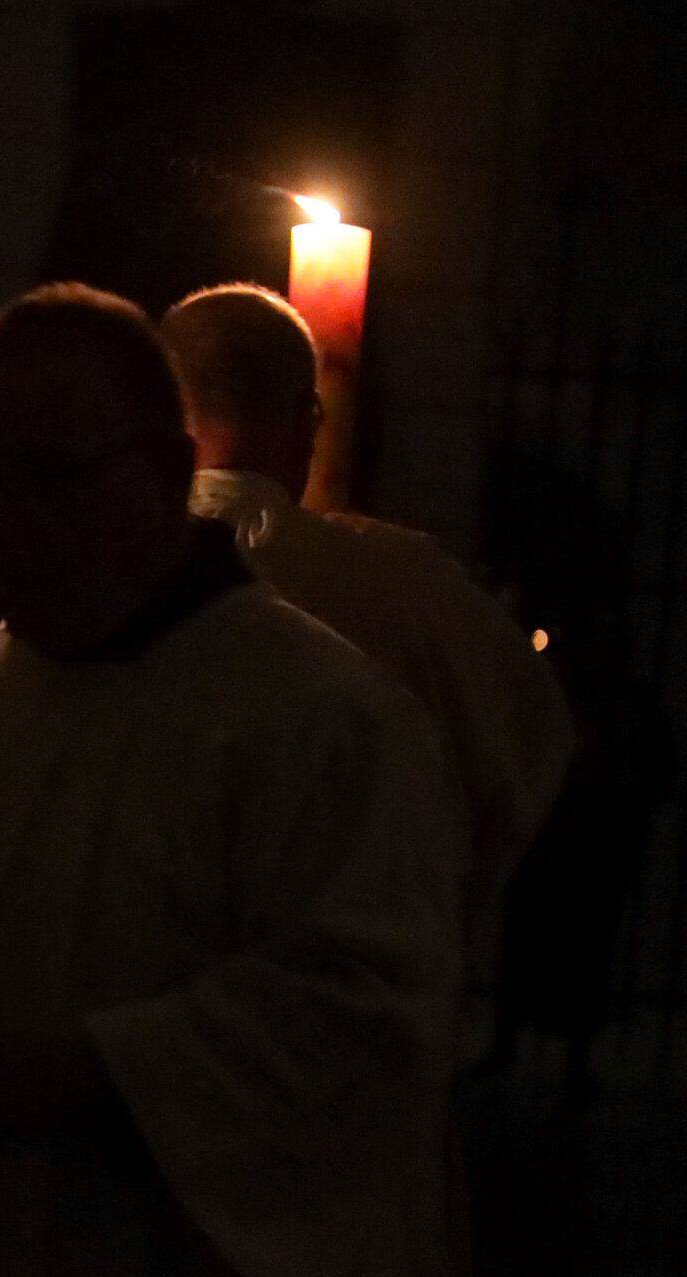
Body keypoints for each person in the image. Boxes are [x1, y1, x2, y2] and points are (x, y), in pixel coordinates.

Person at [0, 285, 467, 1277]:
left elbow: (364, 1018)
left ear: (167, 470)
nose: (5, 528)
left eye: (49, 477)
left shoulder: (316, 718)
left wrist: (102, 1067)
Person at [159, 283, 573, 980]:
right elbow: (533, 738)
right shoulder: (402, 586)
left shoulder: (99, 569)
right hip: (341, 997)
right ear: (308, 420)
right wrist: (444, 899)